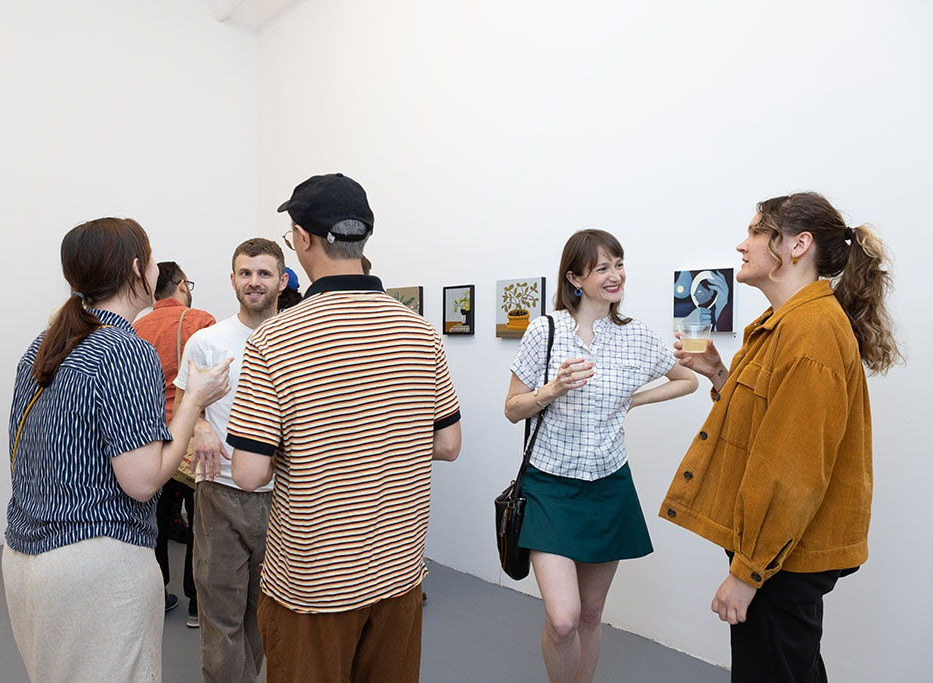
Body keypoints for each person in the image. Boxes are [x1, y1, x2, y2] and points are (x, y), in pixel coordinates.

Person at [227, 173, 462, 683]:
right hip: (400, 571)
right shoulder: (420, 331)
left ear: (303, 238)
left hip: (313, 586)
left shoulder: (274, 339)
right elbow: (448, 444)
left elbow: (247, 474)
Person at [660, 192, 900, 682]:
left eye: (754, 232)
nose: (741, 244)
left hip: (780, 561)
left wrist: (747, 574)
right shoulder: (789, 324)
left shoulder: (809, 332)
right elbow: (769, 427)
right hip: (780, 553)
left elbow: (792, 471)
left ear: (796, 245)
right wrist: (720, 375)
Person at [2, 217, 230, 681]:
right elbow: (143, 480)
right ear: (136, 269)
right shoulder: (125, 349)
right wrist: (195, 403)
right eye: (150, 257)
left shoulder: (43, 345)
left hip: (26, 562)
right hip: (97, 566)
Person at [504, 229, 698, 683]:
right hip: (549, 487)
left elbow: (687, 380)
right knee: (564, 618)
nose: (616, 276)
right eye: (603, 267)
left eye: (619, 264)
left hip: (609, 487)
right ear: (575, 278)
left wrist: (635, 400)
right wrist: (551, 390)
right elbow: (512, 409)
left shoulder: (636, 337)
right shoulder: (544, 331)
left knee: (591, 615)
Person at [172, 238, 287, 682]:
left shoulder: (299, 341)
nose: (254, 282)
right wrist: (199, 425)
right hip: (220, 491)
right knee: (219, 612)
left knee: (266, 612)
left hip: (286, 497)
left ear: (281, 280)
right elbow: (182, 406)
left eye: (263, 273)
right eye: (245, 273)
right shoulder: (206, 341)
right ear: (233, 279)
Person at [133, 261, 217, 624]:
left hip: (149, 438)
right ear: (182, 285)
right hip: (192, 436)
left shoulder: (134, 328)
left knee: (155, 523)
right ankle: (198, 603)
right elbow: (217, 379)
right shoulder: (200, 320)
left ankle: (157, 594)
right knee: (202, 524)